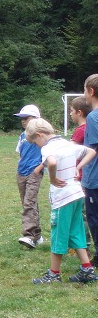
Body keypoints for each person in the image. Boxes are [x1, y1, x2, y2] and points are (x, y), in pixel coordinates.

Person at [25, 118, 98, 284]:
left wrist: (51, 178)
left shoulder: (48, 147)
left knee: (59, 235)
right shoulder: (66, 143)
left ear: (39, 135)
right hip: (77, 195)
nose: (37, 145)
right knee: (76, 232)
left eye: (34, 142)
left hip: (63, 199)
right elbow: (91, 152)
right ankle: (87, 269)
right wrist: (78, 168)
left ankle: (54, 274)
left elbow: (51, 162)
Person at [14, 104, 44, 249]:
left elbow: (49, 155)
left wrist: (37, 169)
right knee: (28, 203)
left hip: (34, 173)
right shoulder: (22, 136)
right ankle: (37, 236)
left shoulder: (42, 136)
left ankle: (30, 236)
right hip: (21, 173)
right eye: (22, 119)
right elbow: (20, 154)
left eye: (26, 118)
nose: (23, 121)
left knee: (29, 203)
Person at [69, 95, 92, 251]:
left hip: (80, 177)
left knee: (80, 212)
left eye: (71, 111)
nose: (70, 114)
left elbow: (69, 151)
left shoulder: (80, 131)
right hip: (86, 175)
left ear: (79, 112)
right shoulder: (90, 127)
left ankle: (84, 244)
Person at [82, 74, 98, 267]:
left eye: (84, 90)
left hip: (95, 178)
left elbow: (93, 148)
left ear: (91, 91)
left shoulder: (93, 117)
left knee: (94, 218)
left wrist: (78, 164)